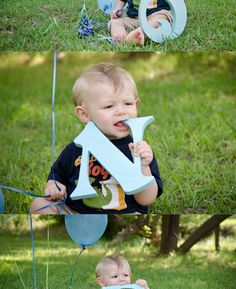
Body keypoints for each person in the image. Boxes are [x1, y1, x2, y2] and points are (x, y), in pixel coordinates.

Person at [30, 63, 163, 214]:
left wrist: (143, 168)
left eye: (128, 103)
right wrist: (54, 186)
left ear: (136, 104)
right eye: (109, 106)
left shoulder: (138, 149)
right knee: (38, 204)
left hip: (125, 213)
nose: (121, 111)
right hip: (76, 213)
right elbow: (57, 175)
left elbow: (146, 200)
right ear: (85, 114)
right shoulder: (75, 149)